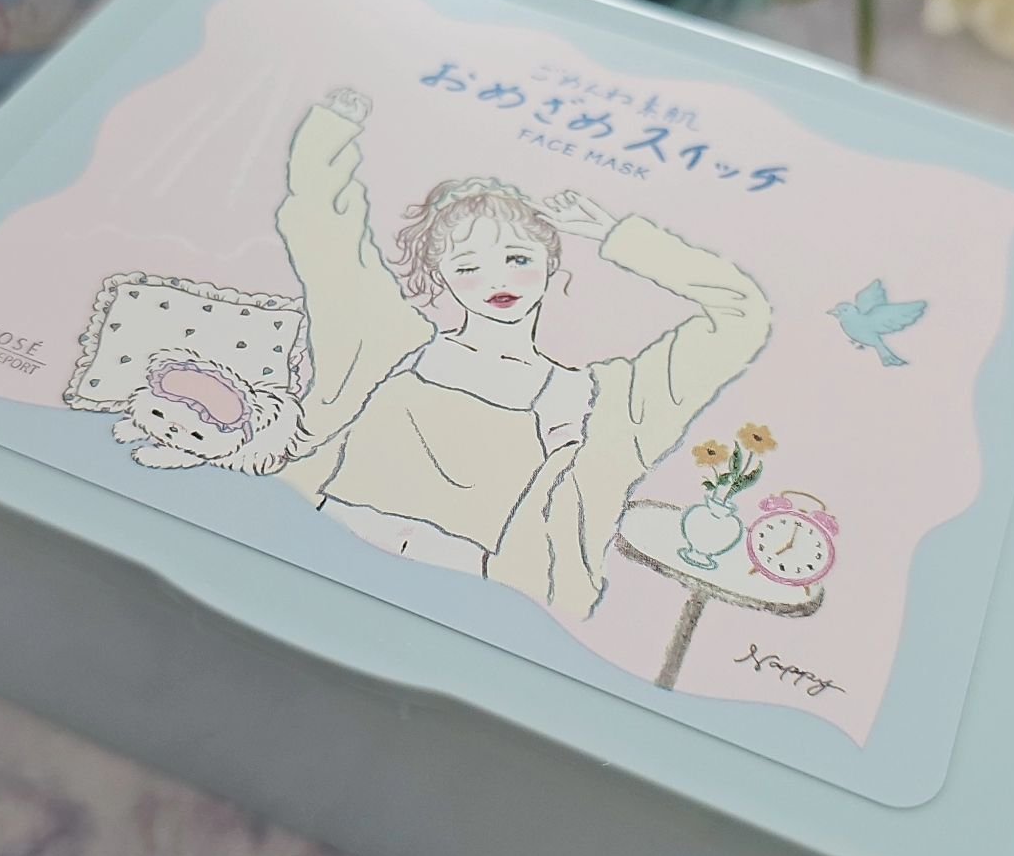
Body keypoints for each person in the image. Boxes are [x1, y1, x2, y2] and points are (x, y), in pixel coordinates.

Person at [277, 88, 772, 617]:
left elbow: (741, 313)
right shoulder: (391, 346)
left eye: (517, 258)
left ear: (550, 267)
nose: (498, 280)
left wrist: (616, 235)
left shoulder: (604, 401)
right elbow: (325, 232)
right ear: (439, 277)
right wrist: (331, 127)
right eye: (468, 266)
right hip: (304, 555)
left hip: (462, 610)